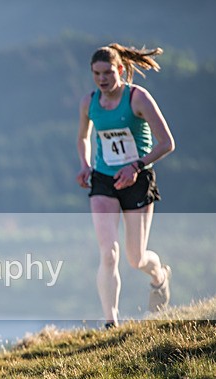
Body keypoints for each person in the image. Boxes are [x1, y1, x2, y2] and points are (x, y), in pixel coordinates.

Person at [76, 43, 175, 328]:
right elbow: (83, 137)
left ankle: (159, 278)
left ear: (120, 70)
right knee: (108, 252)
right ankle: (111, 322)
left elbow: (167, 143)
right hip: (104, 180)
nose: (102, 79)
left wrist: (136, 166)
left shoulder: (137, 98)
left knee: (136, 258)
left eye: (108, 72)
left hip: (138, 179)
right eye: (96, 73)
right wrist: (84, 164)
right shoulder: (89, 102)